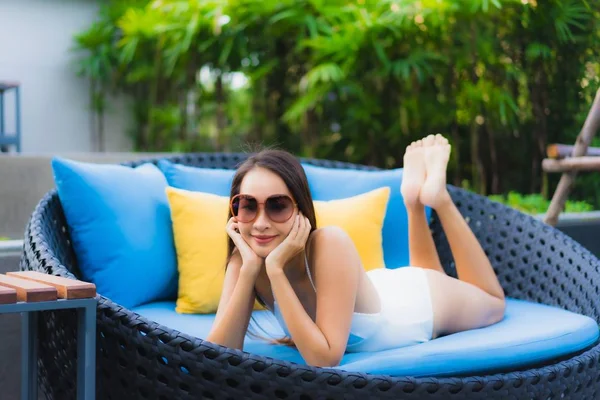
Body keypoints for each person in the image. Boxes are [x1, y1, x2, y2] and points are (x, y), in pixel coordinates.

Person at [206, 134, 506, 368]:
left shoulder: (329, 243)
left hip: (418, 304)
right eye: (247, 205)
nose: (260, 223)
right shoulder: (245, 260)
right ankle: (414, 201)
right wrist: (248, 271)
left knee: (494, 304)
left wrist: (275, 271)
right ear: (234, 210)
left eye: (277, 205)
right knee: (425, 268)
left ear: (300, 209)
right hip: (378, 289)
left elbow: (324, 358)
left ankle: (436, 197)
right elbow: (217, 354)